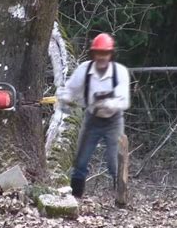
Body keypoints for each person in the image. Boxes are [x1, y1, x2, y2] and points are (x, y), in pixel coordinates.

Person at [56, 33, 130, 198]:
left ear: (111, 54)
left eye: (105, 53)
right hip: (92, 119)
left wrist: (106, 103)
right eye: (99, 53)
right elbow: (70, 89)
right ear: (93, 53)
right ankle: (75, 197)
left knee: (114, 162)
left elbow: (123, 101)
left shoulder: (120, 73)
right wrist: (65, 97)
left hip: (114, 121)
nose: (102, 57)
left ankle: (121, 196)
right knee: (81, 160)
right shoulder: (85, 69)